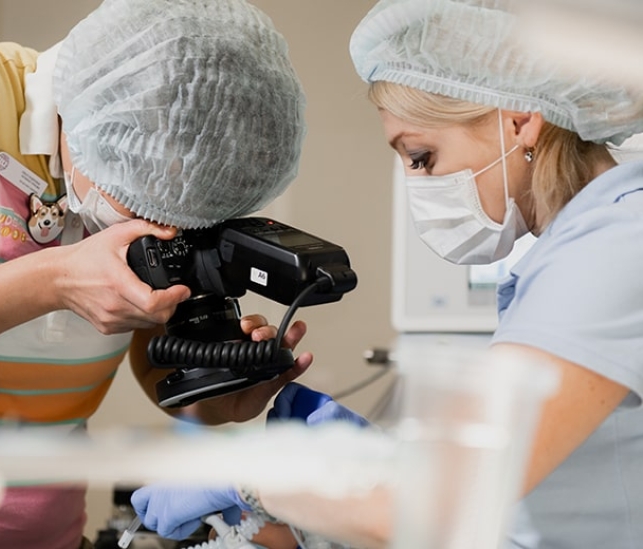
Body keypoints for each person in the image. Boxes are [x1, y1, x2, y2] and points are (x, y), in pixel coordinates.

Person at [129, 1, 643, 548]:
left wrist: (254, 479)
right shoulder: (589, 241)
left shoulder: (610, 247)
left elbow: (433, 510)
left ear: (518, 121)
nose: (416, 184)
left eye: (421, 157)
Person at [0, 1, 312, 548]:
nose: (163, 231)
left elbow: (155, 357)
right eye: (146, 204)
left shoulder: (187, 167)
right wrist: (50, 280)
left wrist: (216, 392)